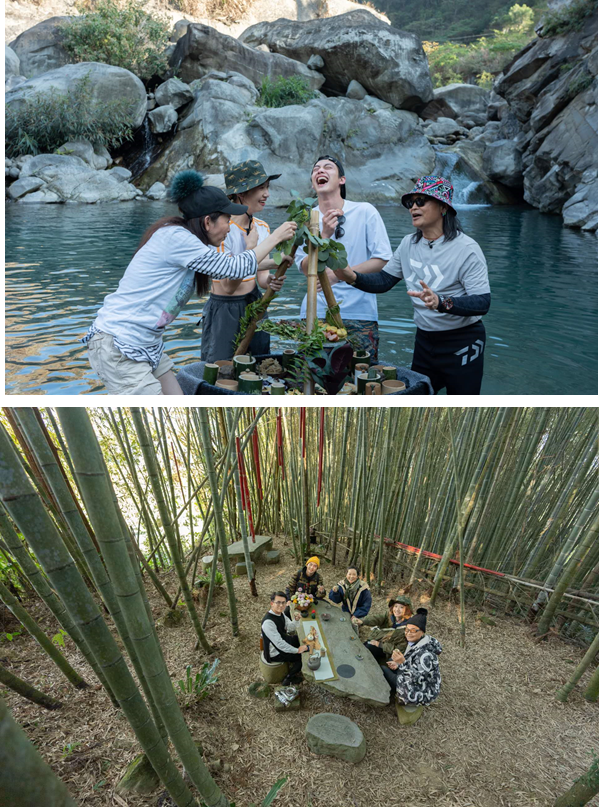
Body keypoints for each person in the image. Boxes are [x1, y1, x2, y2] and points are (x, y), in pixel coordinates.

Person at [83, 170, 297, 395]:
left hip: (147, 345)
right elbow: (235, 268)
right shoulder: (177, 238)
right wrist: (275, 237)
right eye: (227, 219)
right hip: (120, 346)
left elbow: (228, 265)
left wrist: (272, 263)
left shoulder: (187, 240)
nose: (229, 226)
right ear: (207, 221)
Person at [333, 175, 491, 394]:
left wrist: (441, 302)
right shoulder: (409, 243)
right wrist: (352, 276)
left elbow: (482, 302)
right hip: (425, 341)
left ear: (443, 207)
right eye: (410, 203)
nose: (413, 207)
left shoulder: (466, 248)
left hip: (463, 342)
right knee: (418, 402)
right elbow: (385, 280)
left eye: (421, 201)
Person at [294, 155, 393, 362]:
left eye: (328, 167)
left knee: (361, 380)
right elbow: (304, 267)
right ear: (313, 182)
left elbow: (383, 259)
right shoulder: (305, 217)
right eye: (315, 169)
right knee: (313, 379)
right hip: (315, 311)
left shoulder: (365, 211)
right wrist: (324, 235)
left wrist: (340, 275)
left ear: (342, 180)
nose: (320, 170)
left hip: (359, 312)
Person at [201, 161, 293, 362]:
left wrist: (272, 277)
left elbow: (261, 277)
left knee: (260, 366)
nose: (267, 194)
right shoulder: (221, 229)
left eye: (267, 187)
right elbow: (228, 288)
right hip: (225, 308)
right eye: (261, 188)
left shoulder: (262, 227)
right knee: (221, 370)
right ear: (241, 193)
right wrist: (253, 247)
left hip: (254, 304)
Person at [382, 608, 442, 706]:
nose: (408, 633)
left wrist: (402, 663)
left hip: (419, 692)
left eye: (413, 630)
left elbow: (416, 679)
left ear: (422, 632)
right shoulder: (418, 643)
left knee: (383, 669)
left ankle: (394, 697)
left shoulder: (426, 655)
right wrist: (398, 665)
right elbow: (413, 664)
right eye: (407, 630)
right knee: (391, 661)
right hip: (415, 680)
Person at [261, 591, 309, 686]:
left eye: (283, 602)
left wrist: (296, 620)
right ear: (272, 603)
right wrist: (297, 650)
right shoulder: (268, 623)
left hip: (283, 640)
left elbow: (290, 627)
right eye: (278, 602)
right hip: (275, 652)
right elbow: (279, 644)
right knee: (300, 658)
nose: (281, 605)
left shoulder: (280, 614)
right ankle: (288, 679)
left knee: (299, 639)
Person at [353, 595, 413, 663]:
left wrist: (380, 645)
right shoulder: (389, 616)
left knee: (367, 651)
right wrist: (363, 621)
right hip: (375, 641)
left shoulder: (408, 628)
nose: (397, 610)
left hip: (386, 652)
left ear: (407, 610)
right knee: (361, 648)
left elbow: (400, 649)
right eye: (396, 606)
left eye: (401, 607)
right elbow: (377, 618)